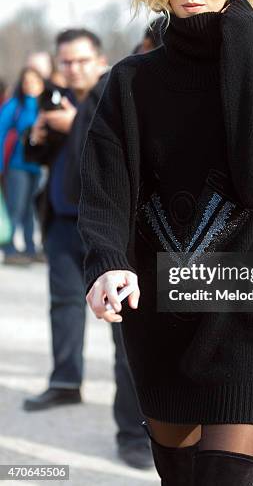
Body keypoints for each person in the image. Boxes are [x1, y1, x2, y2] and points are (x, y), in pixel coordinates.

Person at [78, 0, 253, 486]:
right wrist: (108, 264)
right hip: (161, 309)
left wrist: (237, 40)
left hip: (248, 304)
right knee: (179, 477)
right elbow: (105, 188)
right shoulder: (130, 82)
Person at [22, 28, 153, 470]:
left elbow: (108, 155)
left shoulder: (118, 87)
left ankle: (134, 432)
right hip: (61, 221)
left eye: (81, 60)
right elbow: (46, 157)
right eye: (66, 62)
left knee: (125, 332)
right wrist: (40, 136)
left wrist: (74, 119)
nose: (72, 69)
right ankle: (64, 380)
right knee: (63, 305)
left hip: (109, 230)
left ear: (99, 59)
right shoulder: (54, 98)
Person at [0, 67, 44, 265]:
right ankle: (8, 249)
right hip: (17, 166)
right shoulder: (15, 105)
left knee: (30, 209)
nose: (30, 86)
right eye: (27, 82)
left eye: (34, 81)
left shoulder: (45, 104)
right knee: (15, 207)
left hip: (38, 167)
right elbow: (1, 132)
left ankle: (30, 248)